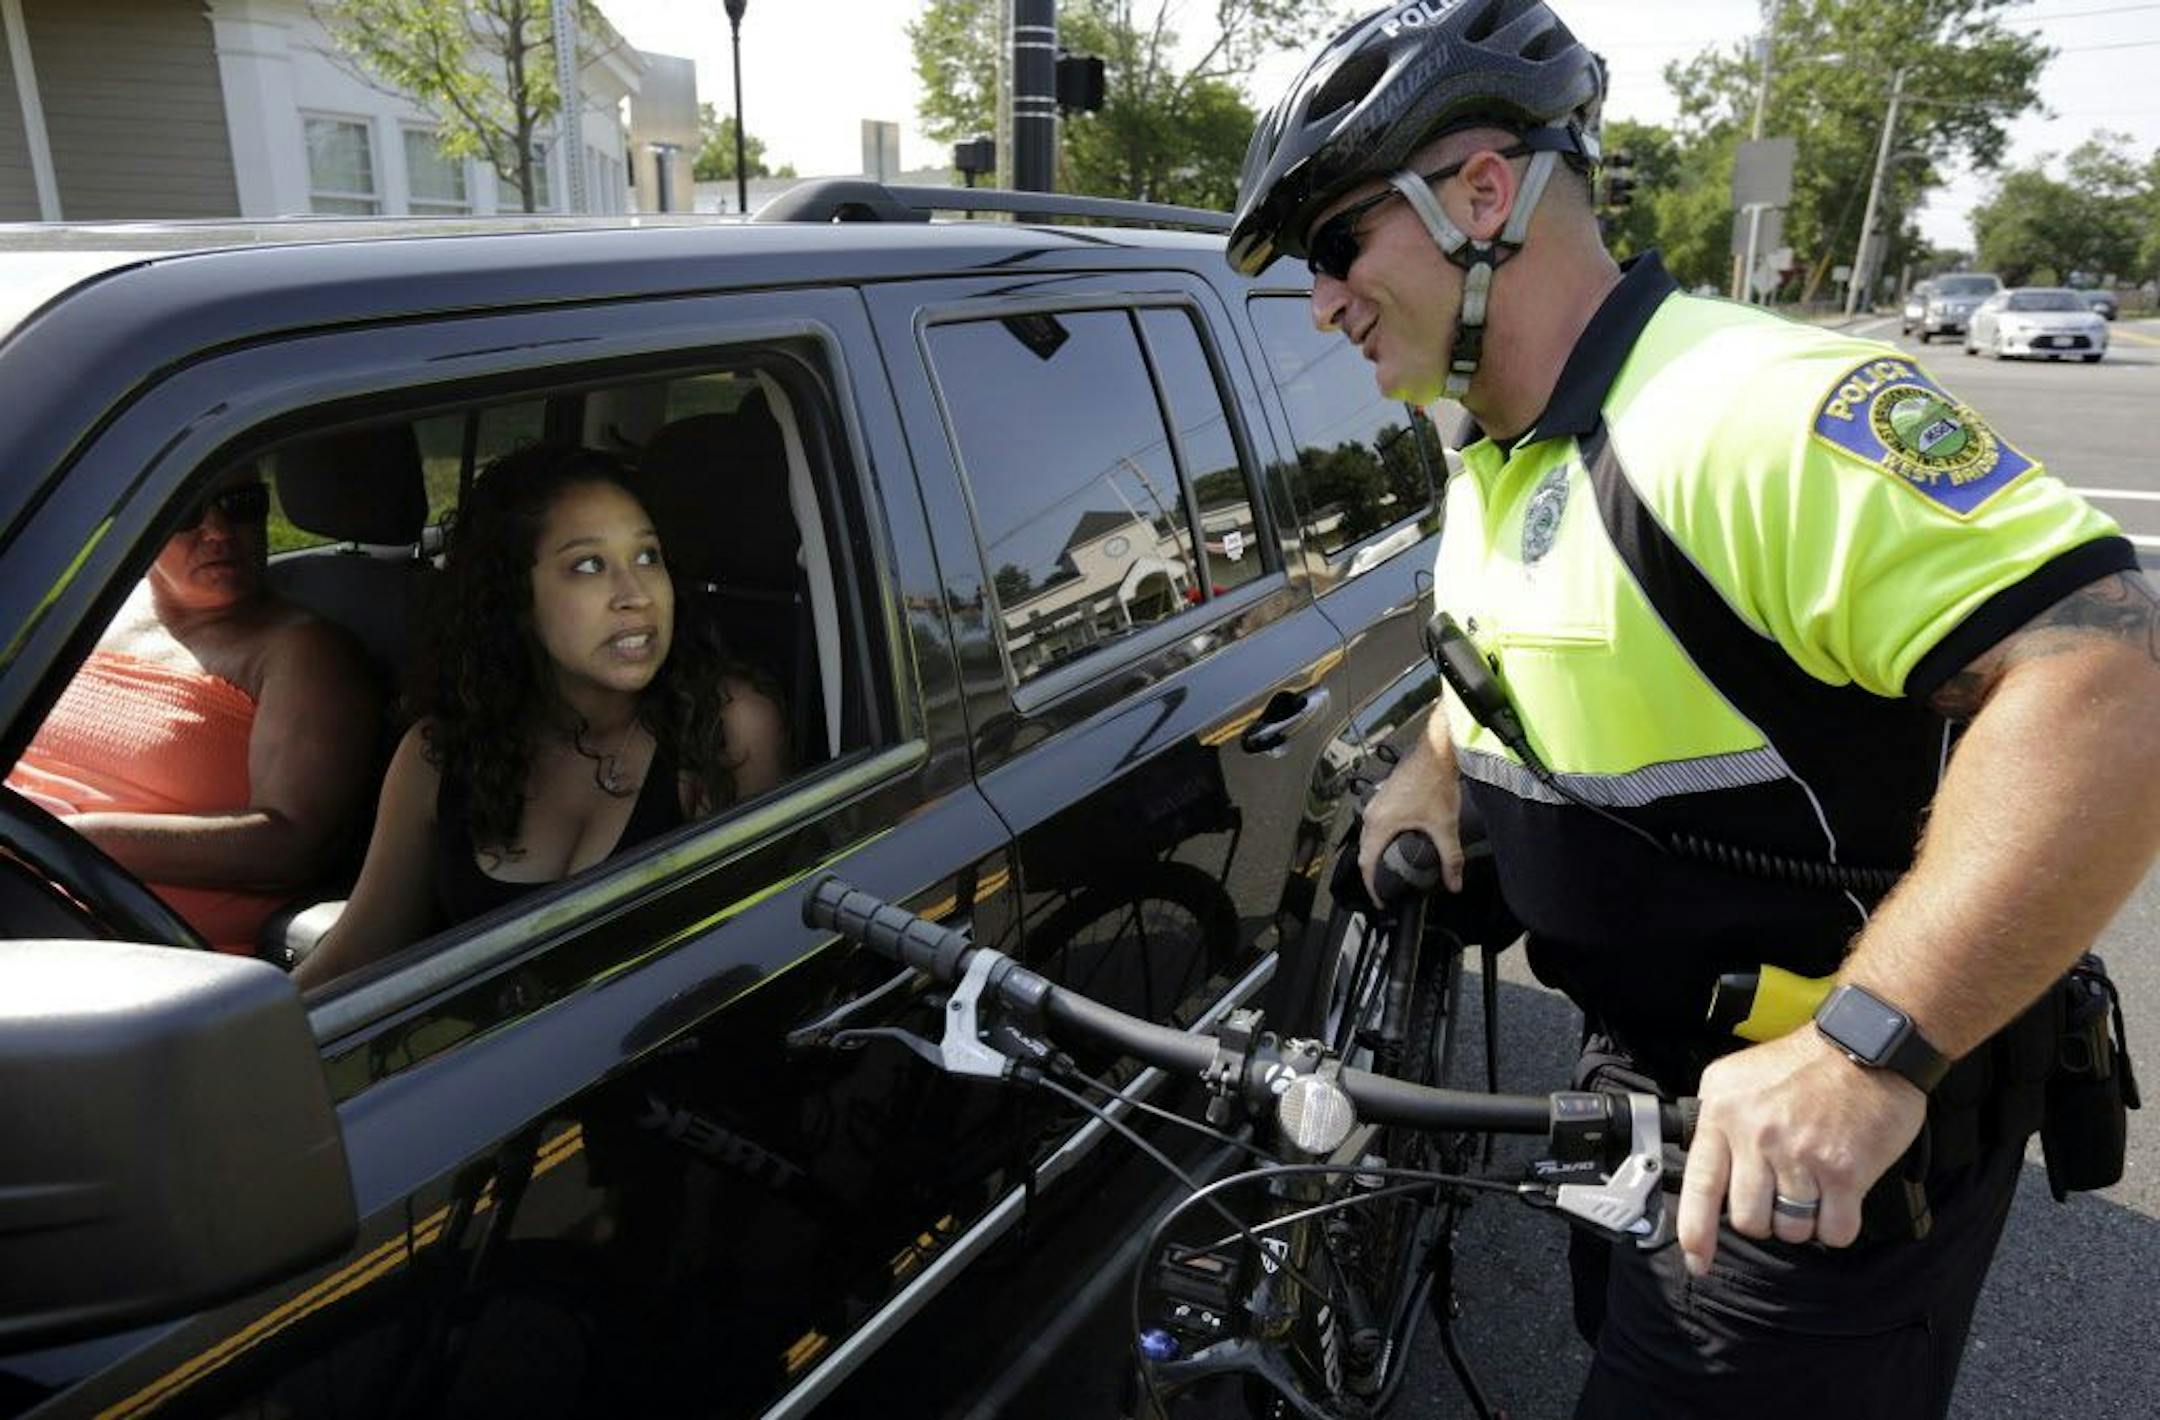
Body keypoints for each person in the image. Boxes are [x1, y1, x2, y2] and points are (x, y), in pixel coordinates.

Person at [1230, 3, 2160, 1417]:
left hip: (1824, 1144)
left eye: (1338, 245)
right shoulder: (1502, 448)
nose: (1323, 301)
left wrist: (1870, 1050)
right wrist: (1434, 761)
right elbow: (1523, 661)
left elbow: (2113, 681)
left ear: (1483, 192)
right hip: (1652, 1106)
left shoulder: (1747, 409)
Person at [294, 442, 787, 989]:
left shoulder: (726, 729)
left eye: (647, 557)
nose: (636, 595)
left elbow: (763, 957)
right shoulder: (437, 755)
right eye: (589, 565)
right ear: (515, 598)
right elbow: (352, 961)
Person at [8, 468, 379, 951]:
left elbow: (293, 844)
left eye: (242, 503)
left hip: (124, 942)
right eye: (187, 510)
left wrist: (65, 843)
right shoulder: (96, 604)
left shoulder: (299, 650)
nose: (221, 531)